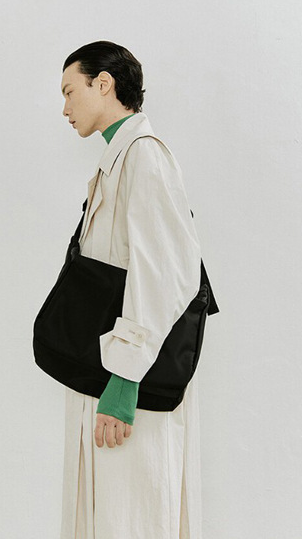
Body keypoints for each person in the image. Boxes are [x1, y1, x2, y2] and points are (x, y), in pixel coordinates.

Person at [59, 40, 205, 539]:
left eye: (70, 91)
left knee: (133, 516)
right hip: (110, 370)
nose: (65, 108)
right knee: (114, 513)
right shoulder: (119, 159)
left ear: (103, 84)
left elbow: (166, 273)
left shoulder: (144, 157)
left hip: (132, 384)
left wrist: (123, 383)